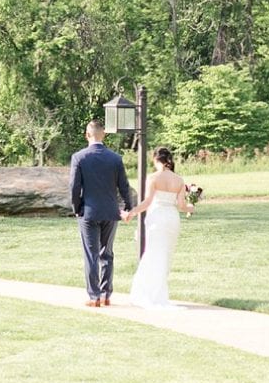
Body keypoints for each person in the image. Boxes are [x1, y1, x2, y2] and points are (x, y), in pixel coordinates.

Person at [69, 120, 135, 308]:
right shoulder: (115, 158)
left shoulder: (79, 157)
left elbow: (74, 187)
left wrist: (76, 209)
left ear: (86, 135)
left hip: (88, 212)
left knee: (91, 254)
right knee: (107, 253)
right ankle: (106, 294)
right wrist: (128, 207)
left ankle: (94, 296)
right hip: (110, 211)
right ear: (103, 134)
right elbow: (124, 186)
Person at [123, 145, 196, 308]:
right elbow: (182, 206)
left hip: (157, 217)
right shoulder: (179, 180)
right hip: (172, 218)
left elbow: (147, 202)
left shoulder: (154, 178)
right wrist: (191, 207)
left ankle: (149, 293)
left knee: (153, 253)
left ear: (156, 159)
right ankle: (158, 293)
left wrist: (132, 212)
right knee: (165, 256)